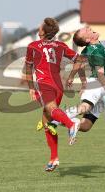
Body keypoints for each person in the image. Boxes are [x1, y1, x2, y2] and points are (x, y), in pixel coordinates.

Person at [25, 17, 81, 172]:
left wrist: (31, 88)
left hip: (44, 84)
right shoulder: (61, 45)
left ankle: (71, 124)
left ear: (42, 31)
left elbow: (28, 70)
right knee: (47, 123)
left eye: (40, 26)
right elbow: (79, 59)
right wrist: (71, 76)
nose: (38, 27)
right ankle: (54, 158)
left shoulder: (33, 46)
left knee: (50, 110)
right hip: (58, 86)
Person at [66, 27, 105, 134]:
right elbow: (101, 75)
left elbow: (79, 63)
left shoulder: (92, 47)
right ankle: (56, 118)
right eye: (87, 31)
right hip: (97, 83)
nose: (89, 28)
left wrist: (73, 78)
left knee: (86, 126)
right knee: (85, 107)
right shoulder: (96, 51)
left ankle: (73, 124)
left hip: (101, 86)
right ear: (88, 40)